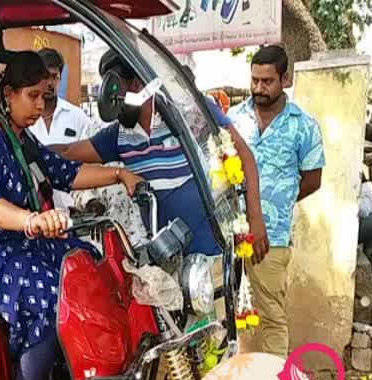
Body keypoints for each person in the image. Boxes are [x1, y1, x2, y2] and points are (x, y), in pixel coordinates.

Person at [0, 51, 142, 380]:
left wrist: (118, 174)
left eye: (45, 97)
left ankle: (75, 373)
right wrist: (31, 220)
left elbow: (67, 172)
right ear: (8, 94)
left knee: (86, 260)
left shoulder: (21, 138)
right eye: (33, 97)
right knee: (52, 296)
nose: (40, 106)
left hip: (25, 241)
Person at [52, 50, 268, 260]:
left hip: (211, 254)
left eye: (117, 90)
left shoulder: (189, 113)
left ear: (136, 84)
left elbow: (244, 154)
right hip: (167, 257)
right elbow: (69, 151)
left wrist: (255, 219)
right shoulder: (118, 135)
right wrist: (24, 144)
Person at [227, 45, 325, 358]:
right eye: (254, 80)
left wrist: (277, 204)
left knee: (271, 315)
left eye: (266, 81)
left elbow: (312, 180)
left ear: (284, 79)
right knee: (229, 316)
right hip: (228, 233)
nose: (258, 88)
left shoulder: (303, 126)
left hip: (272, 239)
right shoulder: (233, 120)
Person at [28, 48, 93, 210]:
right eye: (45, 76)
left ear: (60, 78)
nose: (50, 83)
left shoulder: (77, 117)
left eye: (54, 77)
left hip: (72, 214)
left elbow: (88, 164)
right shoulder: (26, 119)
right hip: (35, 216)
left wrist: (87, 201)